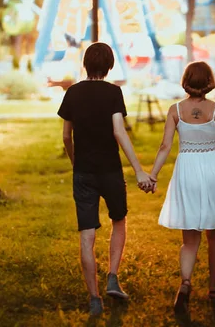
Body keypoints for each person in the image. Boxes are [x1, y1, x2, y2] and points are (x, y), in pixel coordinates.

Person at [58, 42, 153, 316]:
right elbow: (119, 132)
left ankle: (94, 299)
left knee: (87, 236)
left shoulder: (73, 93)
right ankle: (112, 275)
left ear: (85, 64)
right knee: (118, 221)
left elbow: (66, 136)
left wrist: (75, 162)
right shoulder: (113, 92)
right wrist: (138, 170)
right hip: (111, 170)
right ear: (109, 65)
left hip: (84, 172)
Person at [147, 61, 215, 313]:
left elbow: (165, 146)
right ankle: (214, 290)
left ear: (185, 81)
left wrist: (153, 174)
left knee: (189, 240)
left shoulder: (176, 109)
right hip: (213, 170)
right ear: (209, 81)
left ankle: (185, 284)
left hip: (186, 169)